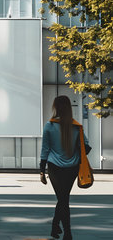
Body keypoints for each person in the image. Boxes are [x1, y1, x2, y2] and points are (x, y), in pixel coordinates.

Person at [40, 95, 89, 240]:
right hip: (72, 167)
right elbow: (85, 146)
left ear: (55, 107)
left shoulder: (49, 125)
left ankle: (66, 231)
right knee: (63, 198)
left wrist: (42, 170)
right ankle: (58, 227)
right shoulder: (76, 126)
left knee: (62, 199)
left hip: (54, 167)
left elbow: (45, 149)